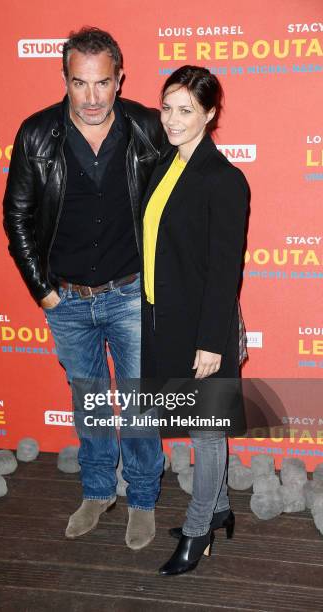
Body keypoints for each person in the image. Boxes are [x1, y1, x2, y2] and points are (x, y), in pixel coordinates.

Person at [3, 27, 164, 550]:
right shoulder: (35, 134)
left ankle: (141, 497)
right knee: (91, 401)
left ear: (120, 79)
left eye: (102, 83)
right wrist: (43, 292)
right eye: (80, 84)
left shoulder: (147, 129)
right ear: (65, 81)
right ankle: (98, 490)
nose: (92, 98)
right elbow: (18, 216)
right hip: (66, 299)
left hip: (130, 293)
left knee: (139, 402)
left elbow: (181, 209)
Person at [141, 65, 249, 575]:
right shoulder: (165, 164)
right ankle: (222, 508)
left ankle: (199, 527)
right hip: (168, 321)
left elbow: (225, 271)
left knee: (205, 431)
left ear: (209, 113)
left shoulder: (224, 179)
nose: (172, 119)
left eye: (186, 110)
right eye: (167, 107)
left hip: (204, 328)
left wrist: (211, 343)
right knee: (195, 424)